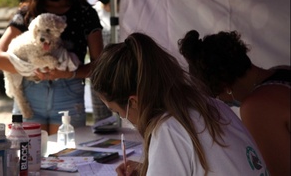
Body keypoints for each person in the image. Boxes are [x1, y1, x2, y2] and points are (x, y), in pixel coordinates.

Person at [90, 32, 269, 176]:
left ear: (133, 102)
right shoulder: (211, 105)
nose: (124, 118)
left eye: (118, 112)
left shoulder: (169, 129)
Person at [0, 0, 103, 135]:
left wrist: (70, 73)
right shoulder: (27, 13)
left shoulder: (86, 13)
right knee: (28, 158)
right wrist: (33, 69)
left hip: (69, 95)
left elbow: (100, 65)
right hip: (30, 94)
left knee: (69, 158)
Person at [178, 30, 290, 176]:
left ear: (225, 87)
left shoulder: (255, 108)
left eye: (217, 96)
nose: (223, 102)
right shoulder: (282, 71)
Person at [90, 0, 123, 123]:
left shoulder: (126, 13)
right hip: (99, 75)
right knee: (102, 122)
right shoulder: (94, 12)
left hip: (121, 74)